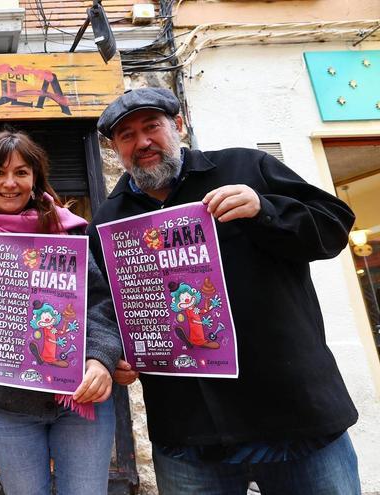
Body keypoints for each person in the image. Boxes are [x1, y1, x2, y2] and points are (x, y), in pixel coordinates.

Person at [90, 87, 360, 494]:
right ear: (116, 150)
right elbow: (107, 306)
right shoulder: (109, 221)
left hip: (296, 417)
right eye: (127, 135)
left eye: (152, 127)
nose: (142, 142)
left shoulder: (246, 167)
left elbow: (333, 228)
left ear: (178, 126)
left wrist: (265, 209)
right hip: (189, 436)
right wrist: (116, 355)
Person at [0, 130, 122, 495]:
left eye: (21, 172)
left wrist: (100, 359)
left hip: (79, 398)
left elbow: (102, 304)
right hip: (7, 408)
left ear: (35, 179)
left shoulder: (68, 232)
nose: (10, 183)